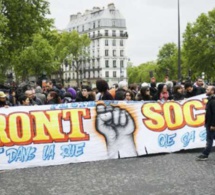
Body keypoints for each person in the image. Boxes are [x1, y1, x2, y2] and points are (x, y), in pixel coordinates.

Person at [196, 86, 215, 161]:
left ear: (213, 91)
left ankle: (205, 154)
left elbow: (214, 114)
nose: (206, 90)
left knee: (209, 139)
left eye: (208, 89)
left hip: (211, 124)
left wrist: (213, 125)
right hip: (209, 123)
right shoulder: (211, 99)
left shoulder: (213, 101)